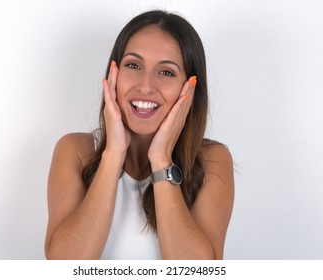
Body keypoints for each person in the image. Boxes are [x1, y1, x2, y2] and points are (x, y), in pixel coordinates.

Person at [44, 10, 234, 260]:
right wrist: (113, 153)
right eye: (133, 65)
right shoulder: (75, 150)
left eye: (166, 72)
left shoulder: (212, 160)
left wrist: (161, 158)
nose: (145, 86)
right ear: (114, 75)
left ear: (188, 88)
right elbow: (64, 265)